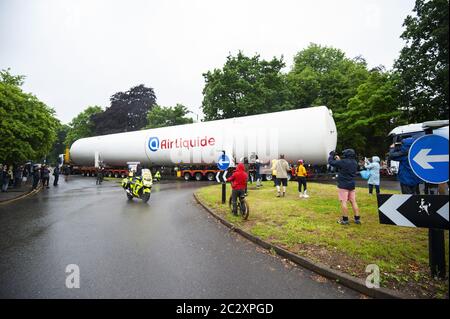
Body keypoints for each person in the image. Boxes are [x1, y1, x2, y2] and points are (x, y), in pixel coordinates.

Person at [328, 149, 361, 225]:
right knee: (353, 201)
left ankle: (345, 220)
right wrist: (339, 160)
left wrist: (331, 155)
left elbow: (331, 162)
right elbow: (344, 166)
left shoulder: (343, 162)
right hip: (352, 185)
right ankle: (357, 219)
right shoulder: (355, 162)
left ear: (346, 155)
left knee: (344, 201)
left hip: (343, 185)